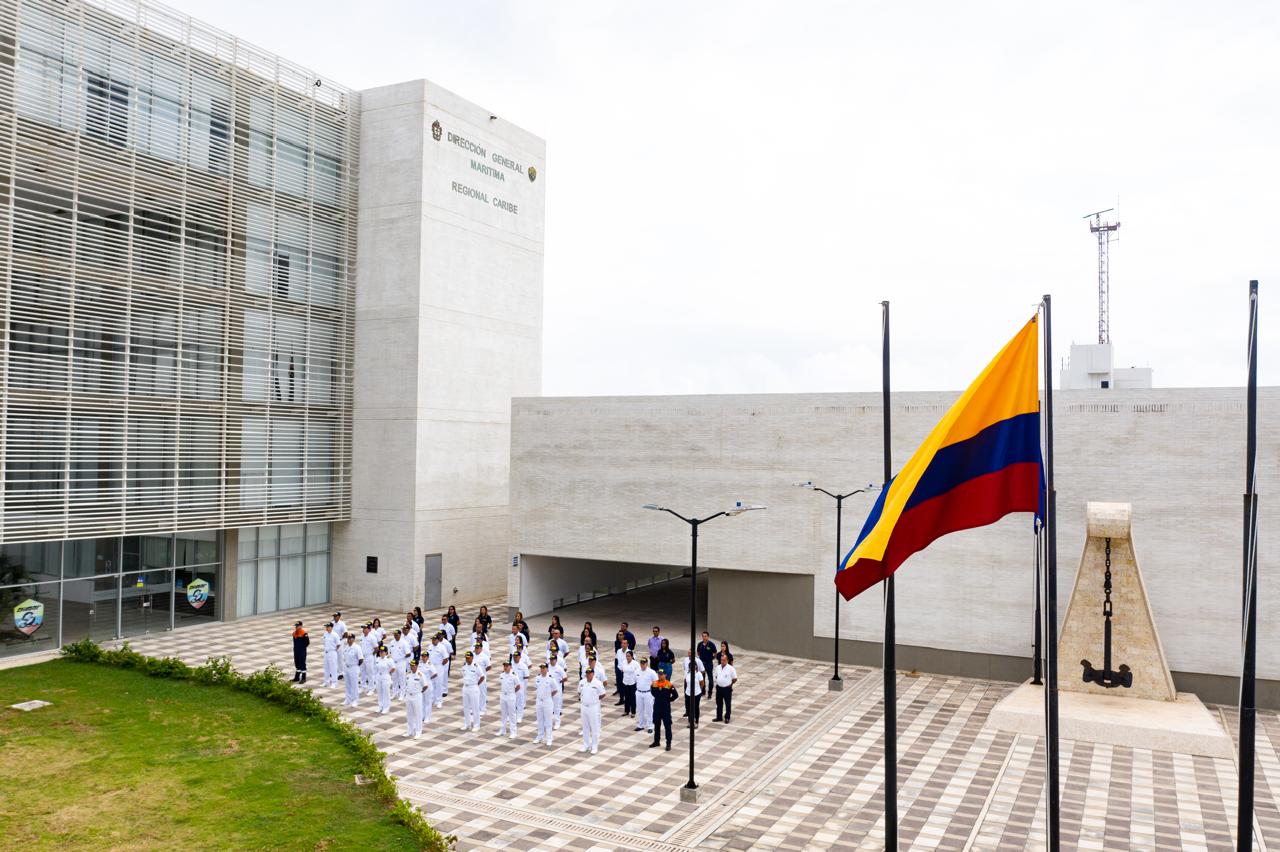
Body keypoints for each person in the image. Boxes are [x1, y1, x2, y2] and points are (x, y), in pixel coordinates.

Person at [578, 667, 605, 754]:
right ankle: (586, 745)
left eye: (590, 673)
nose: (588, 675)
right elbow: (579, 692)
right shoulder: (582, 682)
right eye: (587, 673)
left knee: (594, 727)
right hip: (584, 706)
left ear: (593, 674)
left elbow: (603, 694)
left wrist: (596, 700)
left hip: (593, 707)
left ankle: (594, 746)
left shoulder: (597, 683)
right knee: (585, 726)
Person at [649, 670, 678, 751]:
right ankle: (656, 741)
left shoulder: (669, 684)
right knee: (656, 725)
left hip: (665, 708)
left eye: (661, 674)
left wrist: (668, 700)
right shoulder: (654, 684)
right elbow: (653, 693)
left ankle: (668, 743)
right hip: (657, 707)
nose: (660, 676)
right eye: (659, 674)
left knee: (667, 726)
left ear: (665, 675)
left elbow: (675, 695)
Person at [533, 662, 558, 746]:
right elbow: (536, 687)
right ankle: (540, 736)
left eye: (544, 668)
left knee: (548, 721)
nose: (542, 669)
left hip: (547, 701)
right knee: (540, 720)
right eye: (541, 668)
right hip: (539, 701)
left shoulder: (551, 679)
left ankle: (549, 738)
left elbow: (555, 690)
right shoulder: (537, 678)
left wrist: (549, 696)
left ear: (547, 669)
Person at [459, 650, 485, 732]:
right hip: (465, 687)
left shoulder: (476, 666)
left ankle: (477, 725)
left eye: (469, 658)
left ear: (472, 658)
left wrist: (477, 684)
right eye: (466, 658)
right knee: (466, 707)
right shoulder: (464, 665)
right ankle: (467, 724)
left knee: (475, 707)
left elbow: (482, 677)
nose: (467, 659)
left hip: (474, 687)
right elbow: (463, 674)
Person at [404, 660, 429, 738]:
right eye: (411, 665)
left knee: (418, 714)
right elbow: (406, 684)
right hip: (408, 696)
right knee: (409, 714)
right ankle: (409, 731)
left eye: (413, 665)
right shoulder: (408, 674)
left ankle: (418, 732)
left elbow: (425, 685)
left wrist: (420, 692)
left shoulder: (420, 675)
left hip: (417, 696)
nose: (412, 667)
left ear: (417, 666)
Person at [497, 660, 521, 738]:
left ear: (510, 667)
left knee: (512, 714)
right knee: (503, 714)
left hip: (511, 696)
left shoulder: (514, 675)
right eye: (504, 666)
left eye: (507, 666)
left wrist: (513, 692)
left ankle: (513, 732)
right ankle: (502, 730)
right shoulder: (501, 675)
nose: (505, 667)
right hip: (503, 695)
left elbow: (518, 686)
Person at [713, 652, 738, 723]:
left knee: (727, 703)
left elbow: (735, 678)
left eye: (724, 660)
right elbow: (716, 676)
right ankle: (719, 717)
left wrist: (730, 684)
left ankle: (727, 717)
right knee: (718, 703)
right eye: (721, 660)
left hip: (727, 688)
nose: (722, 661)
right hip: (719, 688)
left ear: (727, 660)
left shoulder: (731, 668)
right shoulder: (718, 667)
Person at [683, 649, 706, 727]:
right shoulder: (688, 674)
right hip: (688, 693)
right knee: (689, 708)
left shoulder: (698, 674)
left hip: (696, 693)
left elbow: (702, 683)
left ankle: (696, 721)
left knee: (696, 707)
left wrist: (698, 689)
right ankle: (690, 721)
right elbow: (686, 682)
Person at [635, 657, 658, 733]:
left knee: (649, 710)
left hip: (648, 693)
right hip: (639, 692)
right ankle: (641, 725)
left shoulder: (651, 672)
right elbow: (635, 681)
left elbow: (656, 682)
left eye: (643, 664)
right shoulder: (637, 671)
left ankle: (650, 726)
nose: (642, 665)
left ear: (647, 664)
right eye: (641, 663)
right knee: (640, 709)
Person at [341, 633, 363, 707]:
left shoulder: (357, 647)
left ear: (353, 639)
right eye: (348, 638)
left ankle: (355, 700)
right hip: (347, 667)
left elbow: (361, 659)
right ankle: (348, 699)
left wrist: (356, 666)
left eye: (350, 638)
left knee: (354, 685)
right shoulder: (346, 647)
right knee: (347, 684)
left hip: (354, 667)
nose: (348, 640)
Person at [428, 633, 450, 707]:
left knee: (439, 684)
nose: (433, 641)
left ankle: (439, 701)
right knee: (432, 684)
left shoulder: (442, 647)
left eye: (434, 640)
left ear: (438, 640)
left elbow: (446, 659)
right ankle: (433, 699)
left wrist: (441, 666)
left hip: (439, 666)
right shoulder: (430, 646)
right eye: (432, 640)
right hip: (431, 667)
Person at [548, 653, 567, 731]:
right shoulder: (548, 667)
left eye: (553, 660)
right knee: (549, 706)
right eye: (551, 660)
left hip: (557, 690)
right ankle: (549, 722)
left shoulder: (559, 668)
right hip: (549, 690)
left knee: (556, 707)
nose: (552, 661)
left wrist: (560, 681)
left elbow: (565, 678)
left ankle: (557, 722)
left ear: (556, 660)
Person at [473, 641, 492, 718]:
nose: (476, 649)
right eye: (475, 648)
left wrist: (483, 671)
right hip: (473, 677)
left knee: (482, 693)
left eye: (477, 648)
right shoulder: (473, 655)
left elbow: (489, 666)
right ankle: (474, 708)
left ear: (481, 648)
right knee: (474, 693)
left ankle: (482, 709)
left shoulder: (485, 657)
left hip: (482, 677)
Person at [620, 650, 640, 718]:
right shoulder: (624, 662)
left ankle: (633, 712)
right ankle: (626, 711)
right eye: (626, 656)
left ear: (632, 656)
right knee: (626, 697)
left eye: (629, 656)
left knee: (632, 698)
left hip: (632, 683)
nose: (627, 657)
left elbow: (638, 673)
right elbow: (622, 669)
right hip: (625, 682)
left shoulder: (635, 663)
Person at [388, 629, 407, 698]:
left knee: (402, 679)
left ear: (400, 635)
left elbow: (408, 653)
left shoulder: (404, 643)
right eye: (394, 635)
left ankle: (402, 693)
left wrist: (401, 657)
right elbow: (389, 652)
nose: (395, 636)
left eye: (396, 634)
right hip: (393, 663)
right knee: (394, 678)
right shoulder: (392, 642)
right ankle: (394, 692)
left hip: (401, 662)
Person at [359, 625, 378, 695]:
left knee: (370, 673)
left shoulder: (372, 637)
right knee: (362, 672)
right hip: (362, 657)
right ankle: (363, 686)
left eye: (365, 628)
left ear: (369, 629)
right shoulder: (361, 637)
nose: (363, 630)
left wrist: (371, 655)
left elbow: (376, 648)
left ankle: (371, 688)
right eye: (363, 628)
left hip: (369, 657)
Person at [375, 646, 394, 713]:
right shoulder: (377, 659)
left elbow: (393, 668)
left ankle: (386, 707)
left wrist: (388, 673)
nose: (381, 653)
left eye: (383, 652)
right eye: (380, 651)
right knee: (380, 692)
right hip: (378, 677)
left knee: (386, 692)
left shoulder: (389, 660)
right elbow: (376, 668)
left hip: (385, 677)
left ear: (386, 652)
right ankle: (380, 706)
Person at [321, 622, 341, 687]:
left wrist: (334, 650)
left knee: (333, 668)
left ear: (331, 627)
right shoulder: (325, 634)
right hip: (326, 652)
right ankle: (326, 682)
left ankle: (334, 683)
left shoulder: (335, 635)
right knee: (326, 668)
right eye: (326, 627)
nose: (326, 628)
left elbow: (338, 644)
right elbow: (324, 642)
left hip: (332, 652)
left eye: (328, 627)